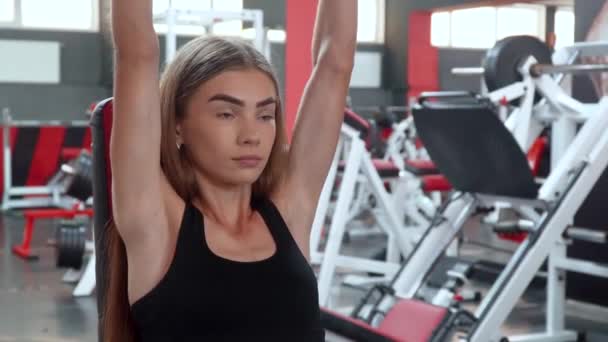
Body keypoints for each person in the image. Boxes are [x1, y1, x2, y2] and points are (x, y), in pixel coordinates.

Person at [103, 0, 357, 341]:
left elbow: (335, 63)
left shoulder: (289, 212)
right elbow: (137, 54)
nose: (252, 136)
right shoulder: (156, 224)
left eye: (265, 115)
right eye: (227, 114)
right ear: (177, 126)